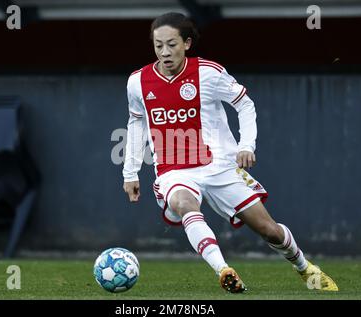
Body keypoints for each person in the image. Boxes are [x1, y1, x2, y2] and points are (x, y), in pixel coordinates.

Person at [122, 12, 338, 293]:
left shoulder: (208, 73)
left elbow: (245, 104)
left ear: (187, 43)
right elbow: (136, 123)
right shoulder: (137, 82)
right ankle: (224, 270)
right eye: (158, 45)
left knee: (269, 230)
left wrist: (246, 145)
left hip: (219, 167)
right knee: (185, 203)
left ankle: (305, 268)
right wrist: (130, 171)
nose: (164, 52)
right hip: (173, 171)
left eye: (171, 44)